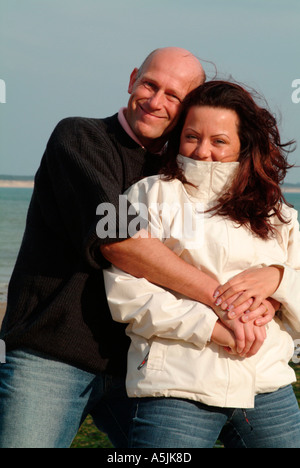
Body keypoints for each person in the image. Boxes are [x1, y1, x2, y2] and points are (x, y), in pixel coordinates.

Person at [0, 47, 207, 449]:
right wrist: (220, 297)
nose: (155, 101)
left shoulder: (177, 172)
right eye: (150, 84)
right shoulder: (80, 137)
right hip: (51, 356)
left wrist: (271, 275)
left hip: (139, 363)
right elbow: (120, 242)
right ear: (132, 79)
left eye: (173, 95)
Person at [104, 81, 300, 448]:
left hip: (267, 384)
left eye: (219, 141)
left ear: (245, 144)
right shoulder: (148, 194)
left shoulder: (275, 210)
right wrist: (212, 327)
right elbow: (126, 295)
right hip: (177, 384)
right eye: (192, 137)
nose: (202, 151)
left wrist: (277, 280)